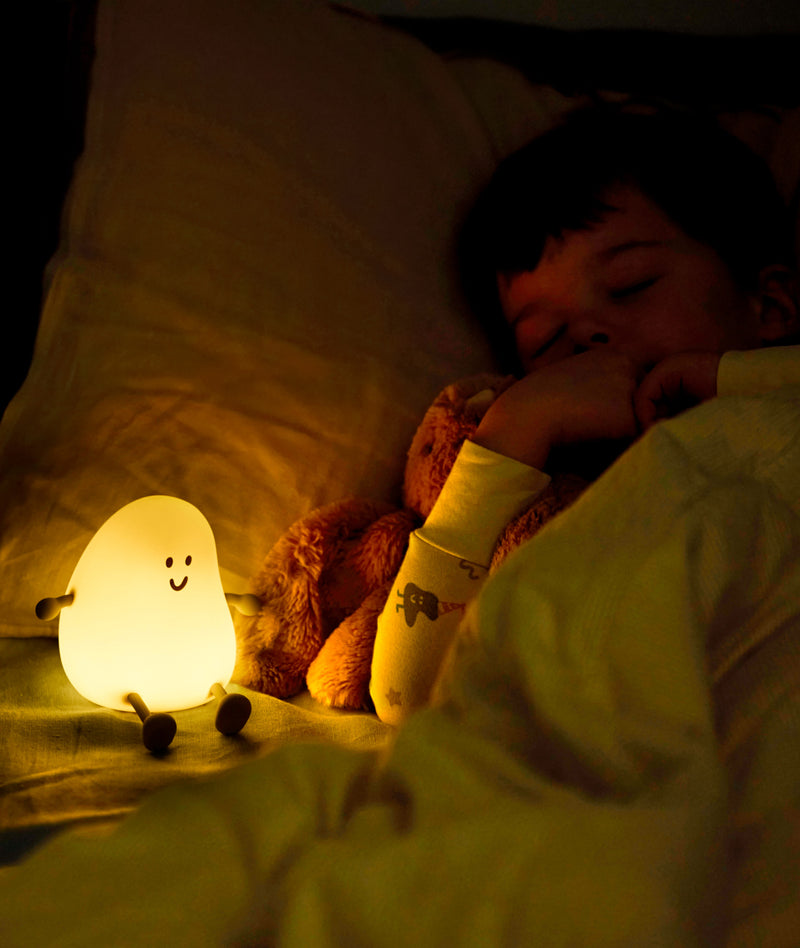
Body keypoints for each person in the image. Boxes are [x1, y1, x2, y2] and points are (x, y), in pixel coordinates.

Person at [370, 104, 800, 724]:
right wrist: (513, 434)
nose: (589, 336)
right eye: (546, 339)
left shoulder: (771, 406)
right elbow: (406, 699)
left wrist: (729, 378)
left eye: (630, 285)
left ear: (771, 305)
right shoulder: (566, 510)